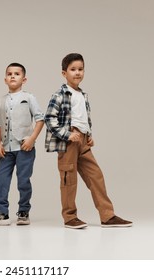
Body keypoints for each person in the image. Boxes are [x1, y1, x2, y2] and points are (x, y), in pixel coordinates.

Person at [44, 53, 132, 229]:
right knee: (69, 180)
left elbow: (83, 117)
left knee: (96, 176)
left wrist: (88, 134)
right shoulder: (60, 95)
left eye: (80, 69)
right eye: (73, 69)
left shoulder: (83, 95)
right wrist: (67, 134)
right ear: (64, 73)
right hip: (68, 142)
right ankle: (69, 217)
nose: (77, 73)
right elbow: (49, 118)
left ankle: (107, 216)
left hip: (82, 140)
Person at [0, 63, 44, 226]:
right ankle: (1, 212)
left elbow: (40, 119)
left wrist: (32, 139)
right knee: (1, 178)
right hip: (7, 148)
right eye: (9, 74)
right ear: (5, 79)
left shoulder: (29, 97)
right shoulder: (1, 100)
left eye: (17, 74)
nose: (13, 76)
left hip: (24, 147)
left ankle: (24, 211)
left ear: (24, 79)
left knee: (23, 180)